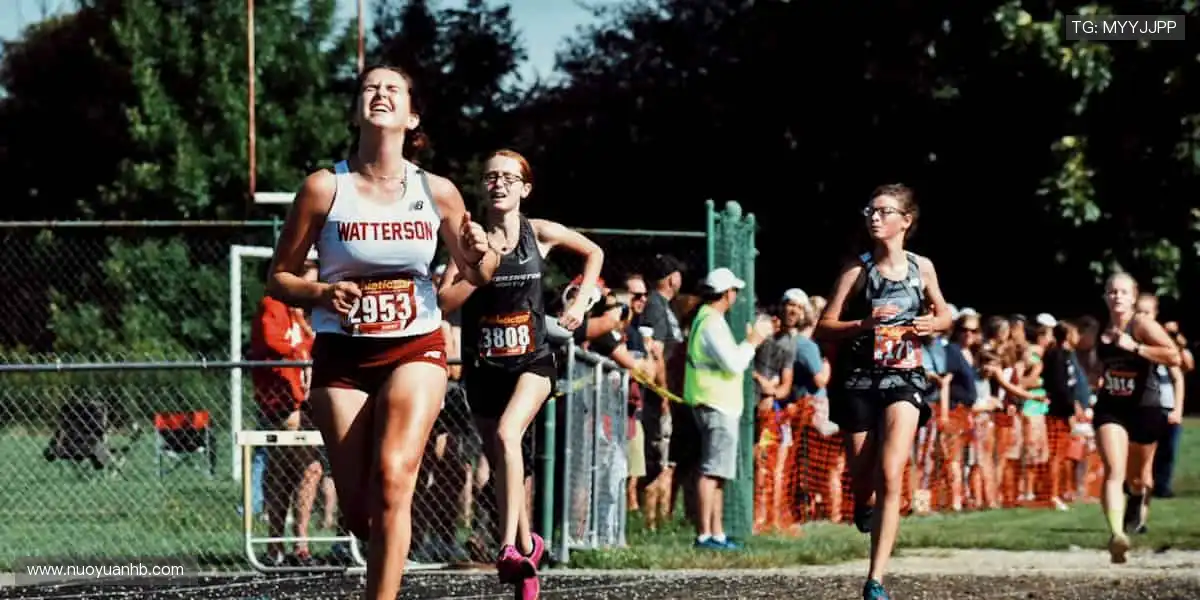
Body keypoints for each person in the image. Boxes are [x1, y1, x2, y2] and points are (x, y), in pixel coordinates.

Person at [265, 64, 496, 600]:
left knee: (395, 478)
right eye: (370, 87)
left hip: (415, 346)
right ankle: (384, 550)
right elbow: (279, 278)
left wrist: (486, 254)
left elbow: (476, 274)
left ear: (411, 115)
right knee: (358, 509)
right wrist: (322, 292)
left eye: (393, 88)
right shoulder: (325, 188)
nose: (381, 93)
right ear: (356, 111)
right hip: (342, 357)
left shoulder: (436, 192)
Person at [439, 149, 603, 598]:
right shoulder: (466, 237)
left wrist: (580, 301)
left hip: (532, 361)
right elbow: (443, 302)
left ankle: (508, 547)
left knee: (509, 436)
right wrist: (474, 267)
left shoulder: (539, 233)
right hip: (484, 365)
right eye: (491, 176)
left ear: (525, 188)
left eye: (510, 178)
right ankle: (529, 550)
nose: (500, 184)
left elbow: (594, 252)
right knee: (499, 462)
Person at [815, 184, 952, 600]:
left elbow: (945, 312)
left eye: (884, 211)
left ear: (905, 221)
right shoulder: (856, 271)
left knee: (892, 472)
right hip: (859, 379)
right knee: (863, 476)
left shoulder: (921, 267)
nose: (874, 218)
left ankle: (875, 579)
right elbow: (824, 326)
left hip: (905, 377)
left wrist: (935, 324)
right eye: (870, 211)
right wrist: (864, 326)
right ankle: (863, 503)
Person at [683, 267, 773, 550]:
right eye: (734, 290)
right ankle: (705, 534)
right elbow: (733, 363)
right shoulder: (711, 323)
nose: (736, 295)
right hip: (715, 403)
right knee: (712, 471)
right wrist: (753, 341)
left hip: (716, 402)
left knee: (717, 471)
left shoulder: (707, 319)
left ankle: (716, 533)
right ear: (726, 294)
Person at [1093, 273, 1180, 563]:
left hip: (1145, 408)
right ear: (1106, 296)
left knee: (1139, 478)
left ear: (1133, 297)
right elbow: (1095, 364)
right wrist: (1095, 382)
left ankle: (1136, 500)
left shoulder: (1141, 324)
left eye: (1123, 292)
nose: (1117, 296)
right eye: (1112, 291)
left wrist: (1137, 348)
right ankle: (1118, 535)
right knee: (1113, 471)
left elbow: (1174, 356)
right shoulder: (1100, 328)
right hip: (1111, 408)